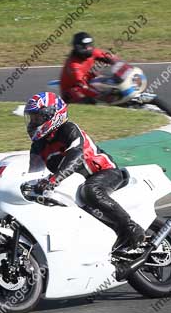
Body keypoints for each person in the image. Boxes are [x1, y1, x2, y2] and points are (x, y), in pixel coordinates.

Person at [24, 92, 145, 256]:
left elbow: (77, 156)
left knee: (90, 191)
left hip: (105, 172)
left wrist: (54, 179)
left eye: (37, 118)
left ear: (52, 115)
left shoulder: (68, 129)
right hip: (73, 183)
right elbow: (33, 173)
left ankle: (131, 227)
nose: (33, 122)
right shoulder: (38, 146)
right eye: (32, 118)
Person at [59, 32, 119, 104]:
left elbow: (108, 58)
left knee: (112, 84)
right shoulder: (74, 65)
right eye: (85, 46)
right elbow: (82, 86)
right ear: (78, 47)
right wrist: (101, 96)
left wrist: (116, 62)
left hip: (89, 81)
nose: (88, 48)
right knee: (89, 100)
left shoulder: (92, 52)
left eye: (89, 45)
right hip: (73, 90)